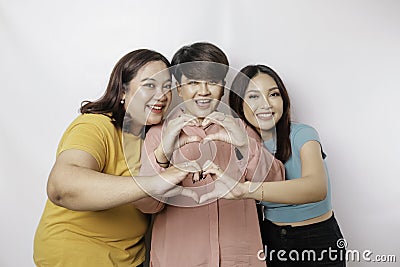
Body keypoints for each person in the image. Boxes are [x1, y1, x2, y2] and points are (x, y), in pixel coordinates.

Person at [33, 49, 200, 267]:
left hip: (130, 260)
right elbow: (61, 187)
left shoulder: (153, 139)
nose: (162, 95)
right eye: (149, 85)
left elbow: (153, 204)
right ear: (122, 91)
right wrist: (156, 182)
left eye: (167, 87)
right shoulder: (95, 126)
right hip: (76, 256)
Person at [133, 43, 285, 267]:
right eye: (193, 82)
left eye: (212, 82)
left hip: (240, 258)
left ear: (223, 87)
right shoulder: (158, 134)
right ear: (178, 87)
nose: (203, 91)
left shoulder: (242, 128)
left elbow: (276, 187)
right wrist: (162, 156)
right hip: (178, 259)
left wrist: (245, 146)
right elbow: (146, 206)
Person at [202, 64, 345, 266]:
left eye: (273, 94)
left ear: (283, 100)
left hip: (317, 240)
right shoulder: (242, 145)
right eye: (253, 97)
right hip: (270, 240)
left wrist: (245, 190)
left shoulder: (303, 134)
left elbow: (316, 188)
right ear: (239, 103)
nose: (266, 104)